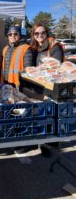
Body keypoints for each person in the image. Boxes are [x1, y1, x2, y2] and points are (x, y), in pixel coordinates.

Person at [30, 23, 64, 156]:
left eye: (42, 33)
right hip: (40, 86)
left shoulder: (54, 46)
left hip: (52, 87)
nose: (40, 35)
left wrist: (39, 71)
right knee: (42, 114)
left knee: (50, 115)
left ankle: (49, 145)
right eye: (36, 33)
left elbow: (55, 67)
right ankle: (40, 140)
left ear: (47, 33)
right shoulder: (36, 48)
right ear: (33, 35)